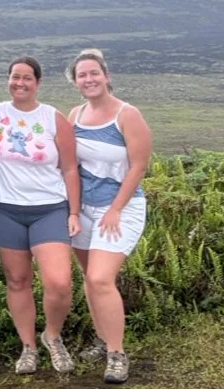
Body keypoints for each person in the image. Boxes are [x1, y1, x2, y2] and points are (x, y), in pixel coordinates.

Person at [0, 56, 82, 375]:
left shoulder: (54, 118)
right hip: (2, 208)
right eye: (15, 77)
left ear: (38, 83)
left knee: (59, 282)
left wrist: (74, 210)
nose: (20, 83)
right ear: (8, 80)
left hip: (49, 209)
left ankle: (52, 335)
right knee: (17, 280)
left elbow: (69, 167)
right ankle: (28, 347)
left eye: (27, 78)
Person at [66, 48, 152, 384]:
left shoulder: (126, 115)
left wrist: (115, 208)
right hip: (83, 209)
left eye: (93, 73)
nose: (89, 79)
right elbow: (70, 164)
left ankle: (117, 353)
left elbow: (139, 165)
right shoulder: (74, 115)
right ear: (76, 82)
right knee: (90, 278)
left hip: (121, 208)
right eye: (82, 75)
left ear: (106, 75)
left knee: (101, 278)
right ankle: (102, 339)